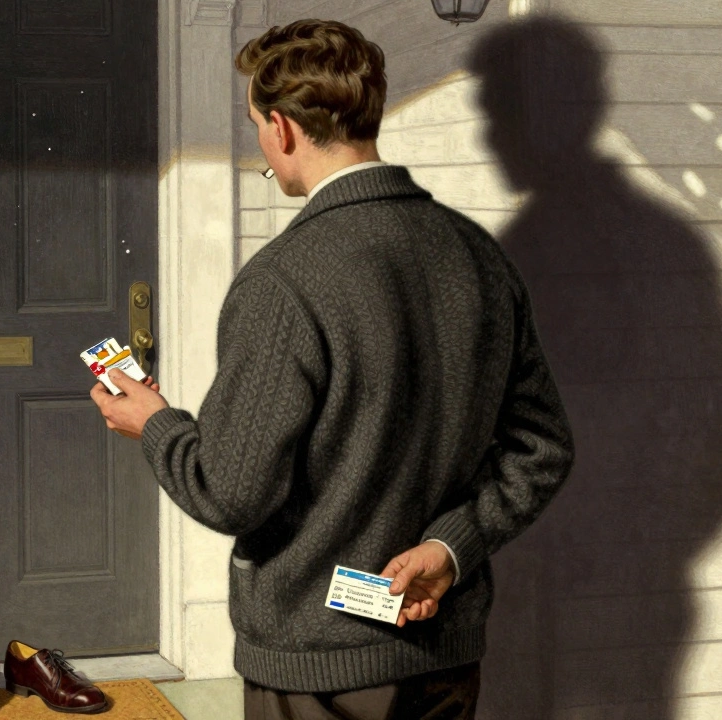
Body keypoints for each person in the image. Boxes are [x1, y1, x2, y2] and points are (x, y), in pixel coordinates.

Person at [90, 18, 574, 720]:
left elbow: (229, 493)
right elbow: (543, 448)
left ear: (282, 129)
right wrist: (452, 547)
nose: (262, 140)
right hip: (445, 657)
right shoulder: (479, 257)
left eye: (257, 123)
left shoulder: (283, 283)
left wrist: (154, 422)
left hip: (319, 669)